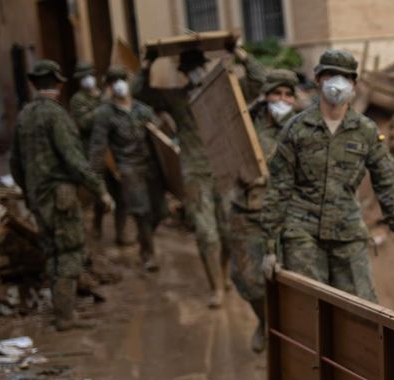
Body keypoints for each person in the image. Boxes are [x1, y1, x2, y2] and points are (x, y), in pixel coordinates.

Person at [261, 49, 394, 302]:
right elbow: (278, 188)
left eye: (345, 77)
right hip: (302, 231)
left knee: (362, 307)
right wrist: (270, 246)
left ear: (354, 84)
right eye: (331, 75)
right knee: (307, 306)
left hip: (348, 229)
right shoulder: (297, 129)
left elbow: (387, 179)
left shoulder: (365, 130)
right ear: (318, 79)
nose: (337, 83)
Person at [134, 42, 264, 307]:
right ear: (183, 72)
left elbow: (259, 80)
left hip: (225, 170)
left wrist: (239, 53)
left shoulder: (224, 92)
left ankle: (225, 275)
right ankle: (215, 287)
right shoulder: (176, 98)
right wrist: (148, 63)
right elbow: (140, 92)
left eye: (197, 68)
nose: (194, 73)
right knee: (206, 233)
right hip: (195, 173)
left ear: (205, 68)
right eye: (189, 69)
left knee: (228, 232)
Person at [10, 60, 114, 331]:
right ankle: (66, 317)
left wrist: (28, 191)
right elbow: (74, 159)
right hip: (61, 197)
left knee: (52, 254)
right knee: (69, 252)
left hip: (37, 198)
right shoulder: (57, 115)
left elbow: (14, 163)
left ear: (34, 83)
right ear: (58, 83)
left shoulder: (24, 116)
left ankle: (63, 313)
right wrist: (100, 190)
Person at [232, 68, 298, 352]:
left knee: (292, 278)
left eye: (287, 94)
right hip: (249, 211)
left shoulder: (302, 126)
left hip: (289, 213)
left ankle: (292, 333)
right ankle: (265, 320)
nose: (282, 99)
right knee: (247, 279)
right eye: (276, 93)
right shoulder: (245, 124)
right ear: (266, 95)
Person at [89, 65, 164, 271]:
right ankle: (148, 254)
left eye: (122, 79)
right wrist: (96, 180)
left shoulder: (142, 109)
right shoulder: (104, 114)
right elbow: (98, 148)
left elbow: (160, 136)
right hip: (128, 167)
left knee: (160, 210)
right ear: (109, 87)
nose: (119, 84)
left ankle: (144, 236)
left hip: (150, 166)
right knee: (141, 211)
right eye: (114, 81)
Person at [70, 60, 127, 244]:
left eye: (90, 75)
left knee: (120, 193)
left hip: (113, 151)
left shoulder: (104, 95)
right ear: (79, 80)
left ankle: (120, 233)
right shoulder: (78, 100)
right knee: (100, 193)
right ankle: (97, 226)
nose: (88, 79)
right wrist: (103, 106)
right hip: (95, 152)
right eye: (84, 76)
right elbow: (85, 123)